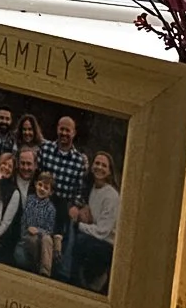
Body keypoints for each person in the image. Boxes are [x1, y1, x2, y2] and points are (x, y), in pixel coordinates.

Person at [62, 151, 120, 292]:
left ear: (109, 171)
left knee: (80, 240)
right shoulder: (92, 188)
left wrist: (79, 225)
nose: (99, 167)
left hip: (106, 243)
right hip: (92, 235)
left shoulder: (112, 196)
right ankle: (66, 273)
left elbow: (102, 231)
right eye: (97, 163)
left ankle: (77, 280)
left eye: (104, 165)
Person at [38, 114, 91, 212]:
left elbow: (79, 192)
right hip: (42, 203)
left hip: (63, 210)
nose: (64, 133)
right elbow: (37, 176)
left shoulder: (79, 161)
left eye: (67, 130)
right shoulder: (45, 149)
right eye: (61, 129)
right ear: (57, 129)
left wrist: (75, 207)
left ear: (74, 133)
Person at [19, 169, 62, 278]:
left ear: (51, 192)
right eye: (40, 185)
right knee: (32, 239)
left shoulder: (51, 209)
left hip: (42, 238)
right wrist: (30, 229)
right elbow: (25, 219)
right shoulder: (30, 200)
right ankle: (37, 266)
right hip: (28, 236)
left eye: (46, 188)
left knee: (47, 239)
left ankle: (45, 272)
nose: (42, 189)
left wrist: (39, 231)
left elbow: (49, 230)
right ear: (35, 184)